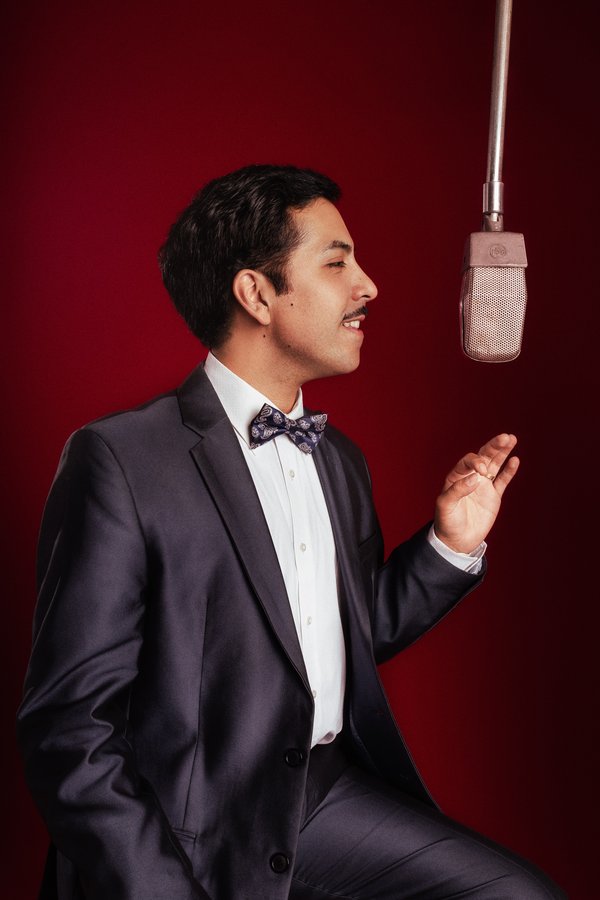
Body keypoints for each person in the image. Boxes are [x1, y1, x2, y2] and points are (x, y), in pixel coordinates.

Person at [17, 165, 564, 899]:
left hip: (321, 797)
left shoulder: (339, 460)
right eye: (337, 263)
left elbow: (337, 636)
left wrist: (449, 546)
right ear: (256, 294)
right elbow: (70, 731)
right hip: (183, 825)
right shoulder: (119, 459)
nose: (369, 286)